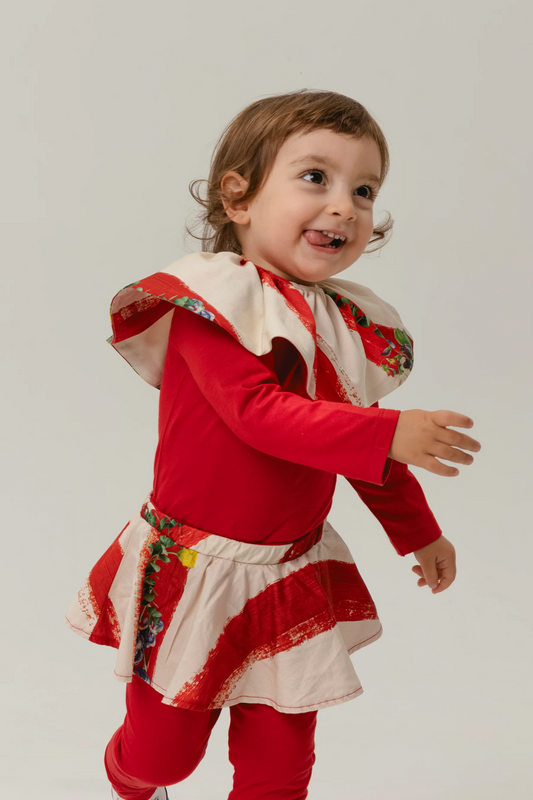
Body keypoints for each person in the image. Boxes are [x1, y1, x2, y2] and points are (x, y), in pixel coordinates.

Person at [65, 89, 481, 800]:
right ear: (239, 198)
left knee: (279, 768)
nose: (344, 206)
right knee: (163, 757)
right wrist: (389, 432)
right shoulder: (206, 305)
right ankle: (130, 779)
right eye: (316, 177)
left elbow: (350, 441)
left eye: (364, 190)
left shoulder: (338, 324)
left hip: (289, 576)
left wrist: (418, 531)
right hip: (195, 568)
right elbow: (259, 415)